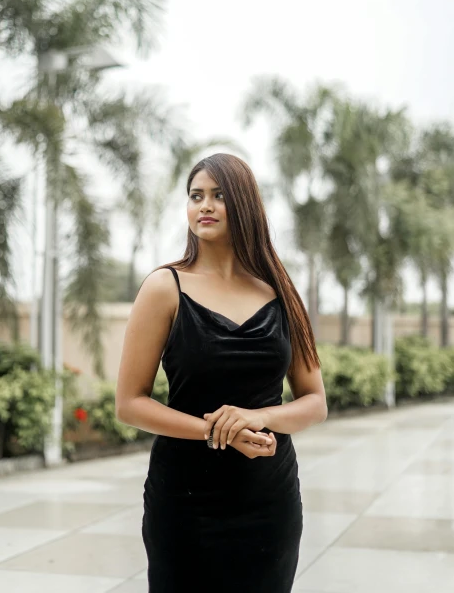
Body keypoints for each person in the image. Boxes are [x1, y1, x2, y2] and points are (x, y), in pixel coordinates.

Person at [115, 153, 327, 592]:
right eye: (196, 196)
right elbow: (130, 403)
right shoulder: (164, 287)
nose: (204, 206)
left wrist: (259, 417)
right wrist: (219, 432)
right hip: (185, 502)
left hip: (269, 501)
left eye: (219, 195)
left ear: (245, 204)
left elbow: (315, 402)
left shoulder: (283, 294)